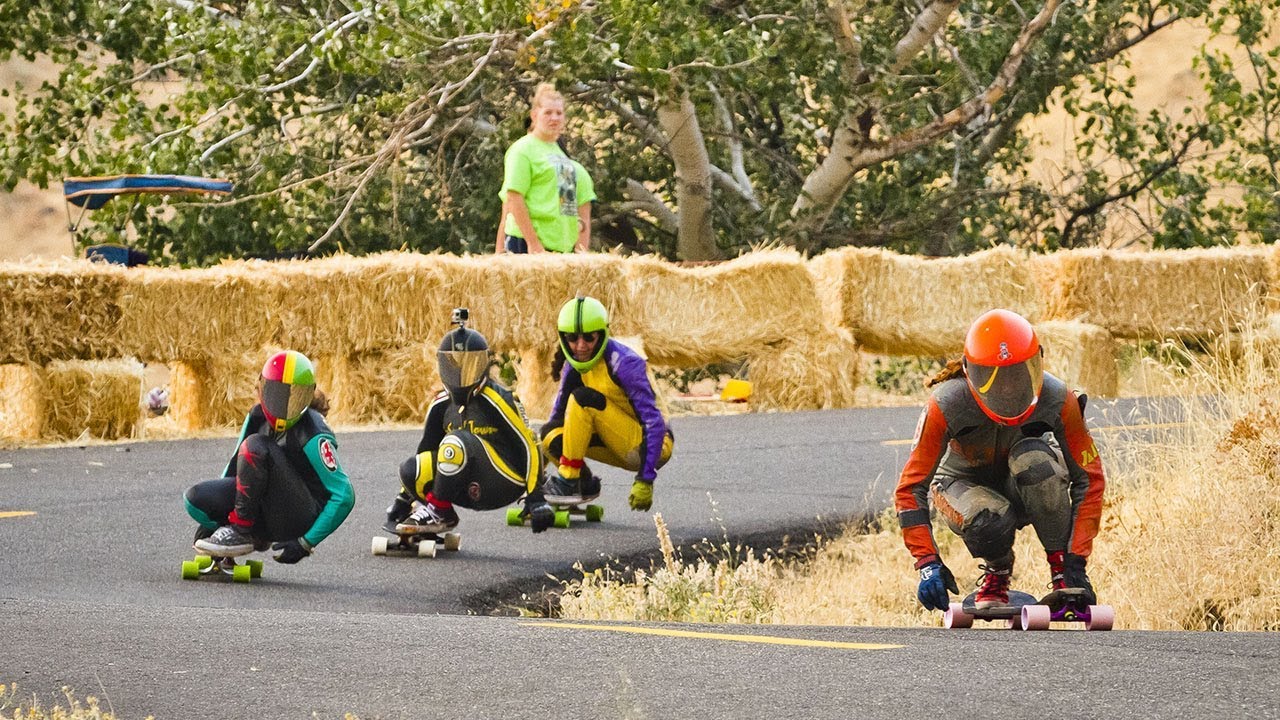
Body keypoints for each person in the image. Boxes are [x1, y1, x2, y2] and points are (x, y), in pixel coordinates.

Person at [895, 309, 1106, 612]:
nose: (1006, 388)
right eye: (992, 377)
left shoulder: (1059, 399)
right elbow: (910, 488)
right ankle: (997, 570)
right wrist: (928, 562)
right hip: (963, 488)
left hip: (1024, 486)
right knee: (986, 517)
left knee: (1036, 460)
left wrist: (1076, 560)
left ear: (1038, 363)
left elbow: (1090, 478)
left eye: (1017, 374)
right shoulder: (945, 404)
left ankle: (1062, 574)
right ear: (970, 372)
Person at [384, 308, 556, 534]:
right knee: (411, 469)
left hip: (503, 482)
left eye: (471, 364)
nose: (462, 374)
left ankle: (436, 508)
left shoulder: (498, 398)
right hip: (464, 485)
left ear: (484, 364)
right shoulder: (440, 405)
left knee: (456, 442)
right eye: (454, 364)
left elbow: (529, 445)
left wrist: (536, 498)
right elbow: (426, 452)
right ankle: (440, 512)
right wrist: (402, 500)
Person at [184, 350, 354, 563]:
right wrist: (215, 523)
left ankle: (241, 530)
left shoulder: (313, 431)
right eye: (276, 394)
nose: (282, 404)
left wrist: (306, 542)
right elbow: (234, 468)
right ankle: (244, 533)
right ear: (262, 389)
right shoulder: (257, 416)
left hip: (297, 516)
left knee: (255, 446)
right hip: (264, 510)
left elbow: (343, 494)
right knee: (196, 498)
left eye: (294, 396)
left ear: (307, 396)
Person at [540, 295, 673, 511]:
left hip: (649, 447)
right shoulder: (573, 367)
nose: (581, 346)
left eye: (589, 338)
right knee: (548, 436)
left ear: (602, 334)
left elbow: (654, 422)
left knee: (583, 399)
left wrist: (645, 479)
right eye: (573, 338)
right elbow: (557, 419)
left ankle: (568, 480)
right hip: (613, 440)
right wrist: (536, 474)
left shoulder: (625, 363)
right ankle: (583, 484)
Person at [496, 83, 595, 254]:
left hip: (559, 247)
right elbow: (513, 198)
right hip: (527, 245)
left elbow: (574, 210)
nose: (554, 118)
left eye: (559, 113)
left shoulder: (566, 162)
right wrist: (533, 244)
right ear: (534, 116)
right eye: (548, 113)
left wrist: (580, 252)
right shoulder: (522, 150)